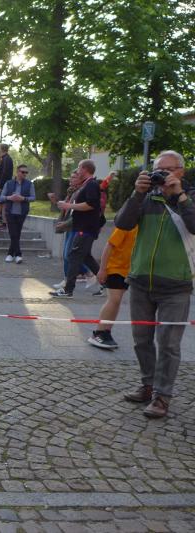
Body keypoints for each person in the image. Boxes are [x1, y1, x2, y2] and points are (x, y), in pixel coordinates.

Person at [115, 150, 195, 418]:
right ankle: (147, 385)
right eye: (158, 170)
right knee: (141, 340)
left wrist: (179, 195)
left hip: (176, 284)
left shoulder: (189, 197)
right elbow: (123, 223)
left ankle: (162, 396)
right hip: (141, 281)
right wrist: (137, 194)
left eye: (169, 170)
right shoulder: (147, 198)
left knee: (169, 344)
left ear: (181, 171)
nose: (163, 175)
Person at [50, 159, 101, 298]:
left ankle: (68, 290)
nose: (77, 171)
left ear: (85, 169)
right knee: (86, 257)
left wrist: (69, 206)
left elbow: (91, 205)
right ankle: (107, 283)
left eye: (79, 168)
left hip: (85, 228)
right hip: (83, 227)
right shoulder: (87, 184)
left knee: (74, 256)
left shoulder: (91, 184)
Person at [87, 225, 138, 350]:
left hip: (128, 270)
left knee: (116, 302)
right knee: (114, 300)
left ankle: (106, 332)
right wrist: (102, 269)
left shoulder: (145, 226)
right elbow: (109, 245)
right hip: (114, 268)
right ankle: (98, 333)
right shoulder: (126, 225)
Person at [0, 164, 36, 264]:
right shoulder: (9, 183)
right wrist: (10, 198)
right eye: (23, 172)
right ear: (17, 172)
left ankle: (10, 254)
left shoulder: (29, 184)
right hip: (10, 212)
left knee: (17, 233)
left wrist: (23, 198)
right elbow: (1, 197)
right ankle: (18, 254)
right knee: (13, 233)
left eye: (26, 172)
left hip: (22, 212)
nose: (25, 174)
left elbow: (33, 197)